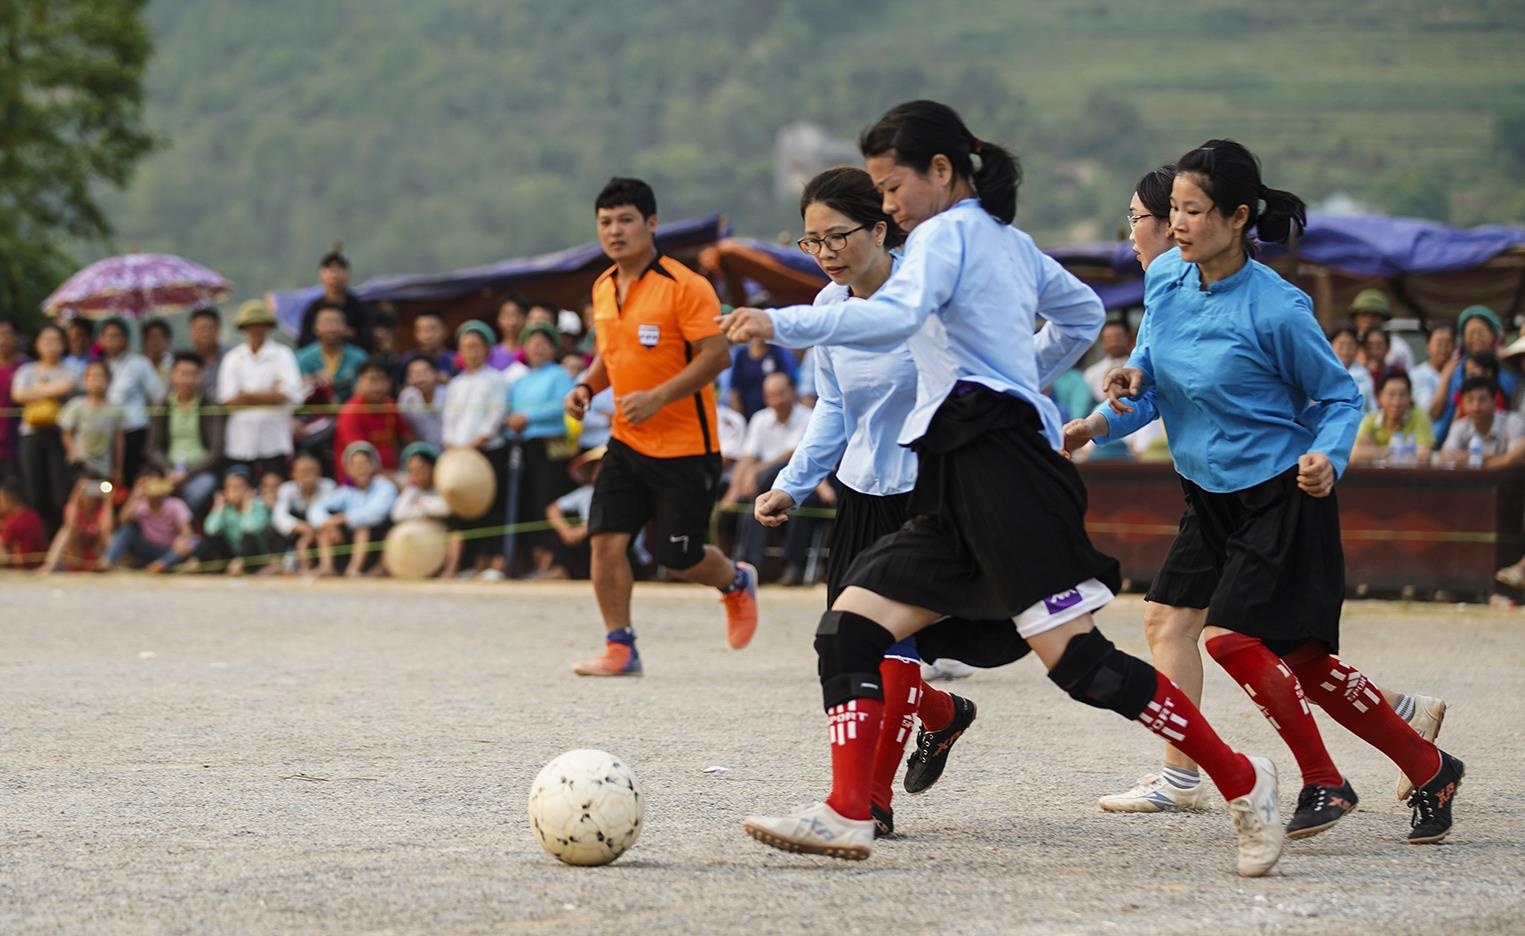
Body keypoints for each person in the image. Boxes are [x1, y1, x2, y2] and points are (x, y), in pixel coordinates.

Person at [724, 102, 1281, 875]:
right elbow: (1081, 311)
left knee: (1082, 666)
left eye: (891, 186)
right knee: (849, 628)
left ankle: (1242, 780)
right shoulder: (1003, 240)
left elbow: (896, 316)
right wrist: (1024, 376)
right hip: (953, 465)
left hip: (1002, 465)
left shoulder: (949, 234)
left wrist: (778, 323)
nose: (886, 204)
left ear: (941, 172)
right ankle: (848, 812)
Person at [1077, 139, 1462, 845]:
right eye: (1173, 211)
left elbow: (1338, 399)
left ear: (1237, 217)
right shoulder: (1165, 283)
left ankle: (1323, 780)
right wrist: (1105, 413)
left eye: (1193, 211)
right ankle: (1427, 763)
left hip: (1279, 493)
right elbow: (1149, 376)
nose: (1179, 224)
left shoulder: (1278, 309)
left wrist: (1327, 456)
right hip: (1208, 497)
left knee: (1228, 639)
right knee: (1303, 662)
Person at [755, 165, 980, 836]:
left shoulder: (929, 298)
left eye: (836, 237)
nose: (824, 253)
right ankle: (942, 715)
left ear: (879, 229)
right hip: (860, 494)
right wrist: (790, 484)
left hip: (929, 496)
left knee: (890, 652)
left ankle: (868, 803)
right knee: (848, 647)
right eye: (811, 241)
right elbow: (832, 408)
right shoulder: (826, 311)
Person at [564, 177, 759, 676]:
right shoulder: (603, 287)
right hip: (627, 443)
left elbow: (715, 358)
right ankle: (620, 647)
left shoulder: (686, 286)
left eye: (625, 220)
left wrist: (658, 397)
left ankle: (734, 582)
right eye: (605, 222)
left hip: (686, 446)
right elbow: (610, 356)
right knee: (605, 540)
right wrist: (587, 387)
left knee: (681, 558)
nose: (615, 230)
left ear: (651, 224)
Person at [506, 322, 576, 577]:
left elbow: (563, 405)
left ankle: (558, 561)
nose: (537, 347)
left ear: (553, 348)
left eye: (543, 343)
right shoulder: (519, 381)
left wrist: (529, 417)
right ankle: (538, 559)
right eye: (532, 343)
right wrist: (512, 423)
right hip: (525, 447)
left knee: (551, 498)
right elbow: (510, 412)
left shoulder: (559, 375)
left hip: (553, 446)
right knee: (531, 502)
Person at [726, 371, 813, 578]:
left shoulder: (808, 417)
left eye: (781, 393)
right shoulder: (760, 418)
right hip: (763, 484)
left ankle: (785, 566)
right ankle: (751, 565)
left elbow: (792, 454)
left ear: (793, 391)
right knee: (752, 497)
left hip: (799, 479)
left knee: (771, 474)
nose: (777, 400)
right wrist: (736, 486)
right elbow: (747, 456)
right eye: (771, 395)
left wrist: (755, 472)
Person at [442, 320, 509, 579]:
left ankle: (495, 562)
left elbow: (496, 415)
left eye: (476, 347)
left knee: (492, 508)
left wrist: (476, 443)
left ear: (486, 349)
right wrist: (453, 445)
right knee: (464, 510)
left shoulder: (495, 380)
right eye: (466, 347)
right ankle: (471, 562)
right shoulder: (455, 384)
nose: (471, 352)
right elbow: (449, 418)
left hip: (486, 451)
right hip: (458, 454)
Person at [219, 300, 304, 481]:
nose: (256, 330)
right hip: (241, 440)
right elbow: (228, 400)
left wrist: (247, 395)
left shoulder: (283, 354)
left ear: (267, 327)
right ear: (244, 328)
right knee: (240, 489)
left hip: (275, 437)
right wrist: (271, 393)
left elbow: (293, 395)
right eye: (251, 325)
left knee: (275, 486)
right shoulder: (233, 358)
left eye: (260, 325)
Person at [11, 323, 76, 531]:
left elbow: (67, 386)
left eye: (56, 340)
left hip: (60, 435)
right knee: (34, 490)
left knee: (60, 492)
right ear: (37, 344)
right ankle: (39, 541)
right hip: (31, 435)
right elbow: (18, 395)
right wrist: (52, 390)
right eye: (47, 341)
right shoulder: (26, 370)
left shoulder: (70, 368)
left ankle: (59, 538)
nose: (51, 346)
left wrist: (37, 390)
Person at [145, 352, 225, 516]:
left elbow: (216, 450)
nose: (188, 380)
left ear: (201, 377)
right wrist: (168, 470)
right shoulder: (162, 405)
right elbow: (152, 447)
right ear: (173, 376)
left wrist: (187, 473)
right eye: (183, 374)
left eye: (193, 374)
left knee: (197, 491)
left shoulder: (211, 406)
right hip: (167, 469)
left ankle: (180, 528)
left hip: (199, 471)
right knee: (148, 492)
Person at [311, 441, 397, 577]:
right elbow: (316, 507)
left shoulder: (384, 486)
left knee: (362, 528)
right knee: (326, 528)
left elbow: (376, 514)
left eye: (364, 464)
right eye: (355, 465)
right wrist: (328, 524)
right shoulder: (346, 491)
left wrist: (341, 519)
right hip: (350, 539)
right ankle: (327, 567)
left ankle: (354, 569)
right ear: (348, 470)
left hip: (377, 537)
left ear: (373, 466)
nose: (360, 469)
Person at [1433, 305, 1515, 441]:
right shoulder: (1455, 371)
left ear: (1493, 335)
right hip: (1457, 440)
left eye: (1481, 332)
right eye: (1470, 334)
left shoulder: (1507, 369)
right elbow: (1441, 413)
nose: (1476, 338)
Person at [98, 316, 163, 489]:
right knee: (108, 480)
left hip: (134, 429)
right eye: (108, 336)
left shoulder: (139, 363)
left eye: (117, 335)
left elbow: (158, 396)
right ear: (101, 340)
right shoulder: (98, 366)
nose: (112, 340)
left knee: (131, 476)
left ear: (125, 338)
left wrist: (155, 430)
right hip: (107, 433)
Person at [333, 357, 410, 483]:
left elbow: (408, 438)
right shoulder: (351, 412)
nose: (378, 387)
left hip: (392, 475)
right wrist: (394, 479)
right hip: (359, 482)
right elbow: (360, 459)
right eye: (372, 380)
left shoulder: (390, 406)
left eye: (383, 380)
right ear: (359, 382)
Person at [105, 473, 194, 572]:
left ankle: (162, 564)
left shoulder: (176, 505)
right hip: (147, 548)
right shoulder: (142, 506)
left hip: (169, 550)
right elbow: (123, 520)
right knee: (127, 530)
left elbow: (187, 531)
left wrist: (181, 539)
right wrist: (135, 496)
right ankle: (107, 561)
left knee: (189, 543)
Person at [195, 465, 273, 575]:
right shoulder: (225, 509)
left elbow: (250, 528)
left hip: (255, 558)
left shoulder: (258, 506)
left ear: (248, 489)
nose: (234, 491)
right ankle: (202, 565)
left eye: (238, 487)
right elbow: (210, 530)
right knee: (212, 539)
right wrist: (218, 506)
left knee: (249, 536)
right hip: (232, 555)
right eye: (230, 487)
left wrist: (247, 506)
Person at [59, 361, 125, 490]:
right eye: (92, 377)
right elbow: (65, 432)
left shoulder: (115, 409)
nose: (96, 381)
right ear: (85, 381)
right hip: (80, 466)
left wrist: (118, 468)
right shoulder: (76, 405)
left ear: (109, 381)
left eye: (100, 376)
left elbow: (119, 439)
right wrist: (73, 454)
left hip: (103, 466)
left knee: (102, 496)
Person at [1351, 371, 1435, 467]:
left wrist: (1375, 450)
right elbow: (1354, 455)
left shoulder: (1420, 417)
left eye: (1402, 395)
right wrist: (1404, 452)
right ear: (1380, 397)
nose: (1396, 402)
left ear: (1410, 397)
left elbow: (1424, 456)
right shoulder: (1370, 419)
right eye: (1391, 395)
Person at [297, 245, 374, 350]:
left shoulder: (359, 308)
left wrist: (345, 335)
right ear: (321, 275)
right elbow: (303, 341)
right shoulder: (313, 308)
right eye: (330, 270)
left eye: (339, 270)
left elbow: (368, 341)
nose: (335, 276)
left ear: (348, 275)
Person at [544, 446, 603, 580]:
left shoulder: (623, 496)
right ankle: (559, 569)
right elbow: (552, 509)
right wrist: (566, 531)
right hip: (584, 545)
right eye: (597, 468)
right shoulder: (586, 492)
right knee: (564, 522)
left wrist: (582, 530)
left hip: (621, 551)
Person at [270, 452, 335, 574]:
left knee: (324, 533)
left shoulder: (329, 486)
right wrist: (301, 527)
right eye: (303, 472)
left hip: (322, 531)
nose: (308, 475)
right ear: (293, 474)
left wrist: (312, 531)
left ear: (319, 473)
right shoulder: (286, 489)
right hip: (297, 532)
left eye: (312, 471)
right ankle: (287, 566)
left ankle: (326, 567)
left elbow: (324, 515)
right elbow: (279, 516)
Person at [1439, 376, 1525, 468]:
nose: (1476, 407)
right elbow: (1445, 456)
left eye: (1482, 400)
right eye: (1470, 400)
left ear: (1494, 400)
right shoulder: (1460, 426)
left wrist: (1473, 460)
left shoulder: (1513, 423)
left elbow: (1516, 457)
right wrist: (1482, 459)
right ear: (1462, 402)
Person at [297, 303, 368, 404]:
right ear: (316, 327)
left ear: (345, 327)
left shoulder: (359, 357)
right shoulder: (303, 358)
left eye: (336, 322)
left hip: (349, 412)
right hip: (315, 415)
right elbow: (296, 390)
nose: (331, 328)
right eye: (326, 323)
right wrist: (313, 380)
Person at [40, 477, 113, 573]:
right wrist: (76, 494)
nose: (89, 496)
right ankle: (49, 566)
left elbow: (107, 528)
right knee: (65, 532)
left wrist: (108, 499)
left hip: (94, 554)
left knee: (107, 534)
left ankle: (108, 562)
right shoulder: (76, 509)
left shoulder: (100, 511)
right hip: (75, 554)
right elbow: (70, 525)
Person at [724, 337, 800, 419]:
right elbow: (734, 390)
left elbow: (791, 384)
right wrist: (739, 419)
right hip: (747, 412)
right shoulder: (741, 356)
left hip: (776, 412)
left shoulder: (779, 353)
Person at [1347, 289, 1413, 371]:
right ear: (1355, 319)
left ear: (1384, 319)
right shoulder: (1347, 344)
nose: (1369, 320)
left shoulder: (1398, 347)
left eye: (1374, 315)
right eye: (1364, 314)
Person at [0, 316, 30, 484]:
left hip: (19, 445)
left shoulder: (28, 368)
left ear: (17, 337)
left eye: (6, 334)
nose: (2, 340)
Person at [398, 356, 447, 450]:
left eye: (425, 372)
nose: (420, 377)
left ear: (436, 374)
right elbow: (405, 430)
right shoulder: (406, 398)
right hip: (421, 451)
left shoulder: (449, 395)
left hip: (448, 449)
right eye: (414, 373)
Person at [0, 477, 49, 569]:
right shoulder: (34, 515)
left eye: (1, 500)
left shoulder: (13, 522)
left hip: (23, 569)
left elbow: (2, 546)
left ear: (10, 500)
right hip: (39, 565)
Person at [1083, 320, 1135, 403]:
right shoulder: (1091, 373)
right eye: (1109, 338)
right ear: (1102, 342)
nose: (1114, 343)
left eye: (1118, 337)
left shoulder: (1138, 368)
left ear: (1128, 338)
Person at [399, 310, 457, 382]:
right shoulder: (406, 361)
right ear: (415, 334)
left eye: (432, 329)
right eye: (422, 330)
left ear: (444, 331)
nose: (428, 336)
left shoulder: (455, 360)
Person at [1409, 323, 1454, 414]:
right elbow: (1430, 412)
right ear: (1428, 346)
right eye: (1439, 343)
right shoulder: (1417, 375)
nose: (1444, 348)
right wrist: (1446, 375)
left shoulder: (1459, 371)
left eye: (1448, 343)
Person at [1330, 326, 1375, 412]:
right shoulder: (1323, 373)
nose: (1345, 350)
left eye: (1350, 345)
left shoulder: (1364, 375)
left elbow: (1371, 407)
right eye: (1341, 345)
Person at [489, 293, 529, 370]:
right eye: (507, 315)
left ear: (526, 318)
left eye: (517, 314)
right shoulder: (490, 355)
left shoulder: (533, 353)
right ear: (498, 319)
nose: (512, 322)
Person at [141, 317, 174, 384]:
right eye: (152, 338)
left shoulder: (173, 365)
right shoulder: (139, 364)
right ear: (145, 341)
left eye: (160, 338)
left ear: (167, 341)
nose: (156, 342)